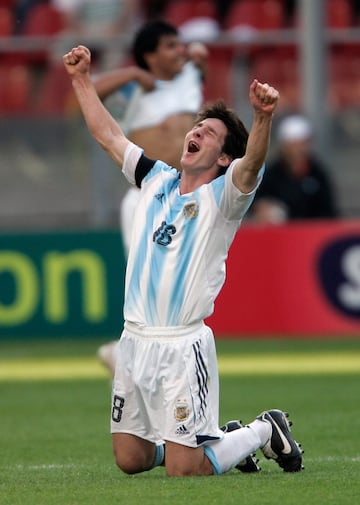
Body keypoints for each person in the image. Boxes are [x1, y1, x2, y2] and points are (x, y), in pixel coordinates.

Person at [63, 44, 304, 477]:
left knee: (185, 472)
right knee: (131, 460)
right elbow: (109, 136)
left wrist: (263, 117)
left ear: (224, 157)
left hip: (182, 344)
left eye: (209, 133)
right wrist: (81, 79)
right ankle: (211, 441)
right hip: (134, 341)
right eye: (198, 126)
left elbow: (251, 165)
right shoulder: (156, 179)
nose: (196, 132)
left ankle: (263, 430)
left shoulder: (224, 198)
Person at [96, 20, 208, 374]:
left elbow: (200, 58)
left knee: (181, 278)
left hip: (187, 196)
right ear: (149, 55)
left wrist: (197, 54)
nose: (180, 51)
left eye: (179, 44)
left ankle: (131, 356)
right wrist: (132, 74)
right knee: (146, 279)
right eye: (170, 46)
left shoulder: (189, 77)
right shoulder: (133, 91)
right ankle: (130, 351)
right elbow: (89, 90)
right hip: (145, 195)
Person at [251, 114, 338, 223]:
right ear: (284, 147)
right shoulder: (271, 174)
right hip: (279, 235)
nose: (299, 150)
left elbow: (329, 212)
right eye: (294, 145)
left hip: (312, 234)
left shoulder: (318, 174)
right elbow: (256, 202)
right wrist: (262, 207)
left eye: (303, 144)